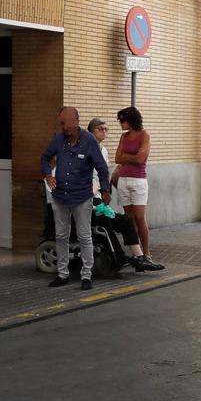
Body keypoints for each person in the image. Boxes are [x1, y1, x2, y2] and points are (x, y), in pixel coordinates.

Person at [41, 107, 110, 290]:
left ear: (76, 121)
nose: (64, 127)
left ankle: (86, 275)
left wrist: (105, 190)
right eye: (61, 123)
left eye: (67, 123)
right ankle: (62, 274)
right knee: (61, 235)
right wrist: (48, 174)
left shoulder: (89, 141)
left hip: (81, 196)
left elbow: (102, 168)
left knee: (84, 236)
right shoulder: (58, 139)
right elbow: (45, 158)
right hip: (60, 195)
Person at [87, 117, 162, 272]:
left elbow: (103, 173)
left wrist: (106, 189)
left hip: (98, 197)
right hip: (86, 200)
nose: (104, 132)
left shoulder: (103, 150)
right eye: (100, 129)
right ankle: (119, 256)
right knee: (107, 221)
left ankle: (140, 257)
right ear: (90, 131)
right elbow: (87, 176)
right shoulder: (85, 150)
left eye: (106, 129)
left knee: (126, 220)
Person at [113, 106, 155, 262]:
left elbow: (140, 159)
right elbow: (117, 158)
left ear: (131, 120)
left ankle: (147, 253)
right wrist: (131, 156)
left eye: (122, 120)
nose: (121, 123)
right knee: (129, 219)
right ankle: (137, 253)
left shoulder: (145, 135)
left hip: (138, 181)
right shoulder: (123, 137)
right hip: (123, 180)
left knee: (139, 217)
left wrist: (126, 156)